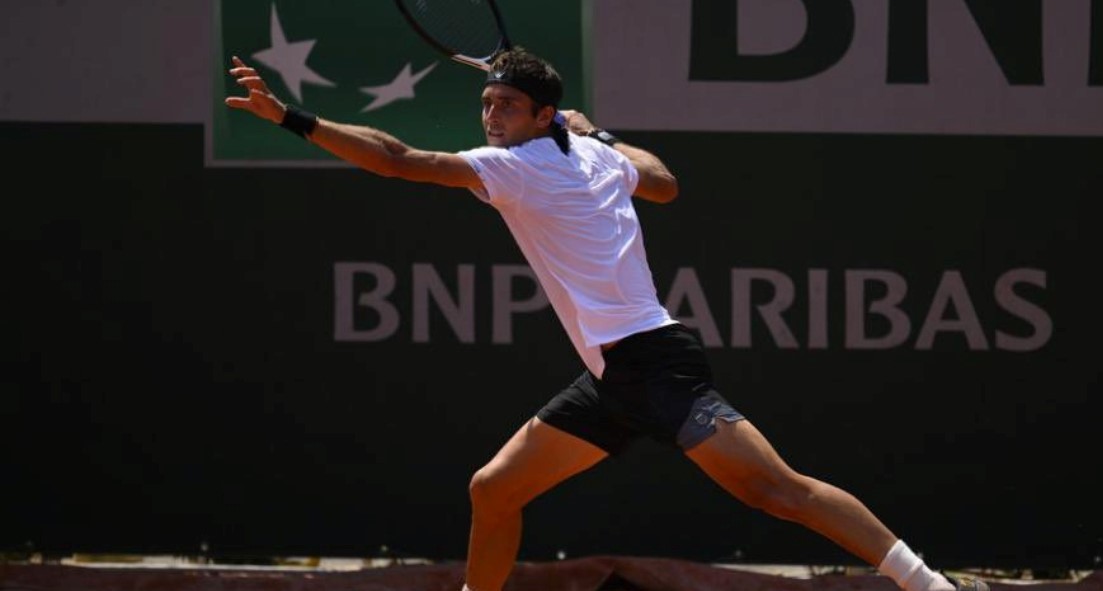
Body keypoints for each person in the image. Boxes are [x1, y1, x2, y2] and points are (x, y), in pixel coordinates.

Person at [225, 47, 988, 591]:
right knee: (493, 490)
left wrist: (294, 116)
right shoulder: (591, 154)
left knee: (776, 491)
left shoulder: (514, 169)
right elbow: (662, 182)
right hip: (609, 377)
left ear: (541, 114)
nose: (491, 116)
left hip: (656, 363)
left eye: (508, 106)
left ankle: (926, 583)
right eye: (487, 103)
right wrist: (600, 136)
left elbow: (396, 157)